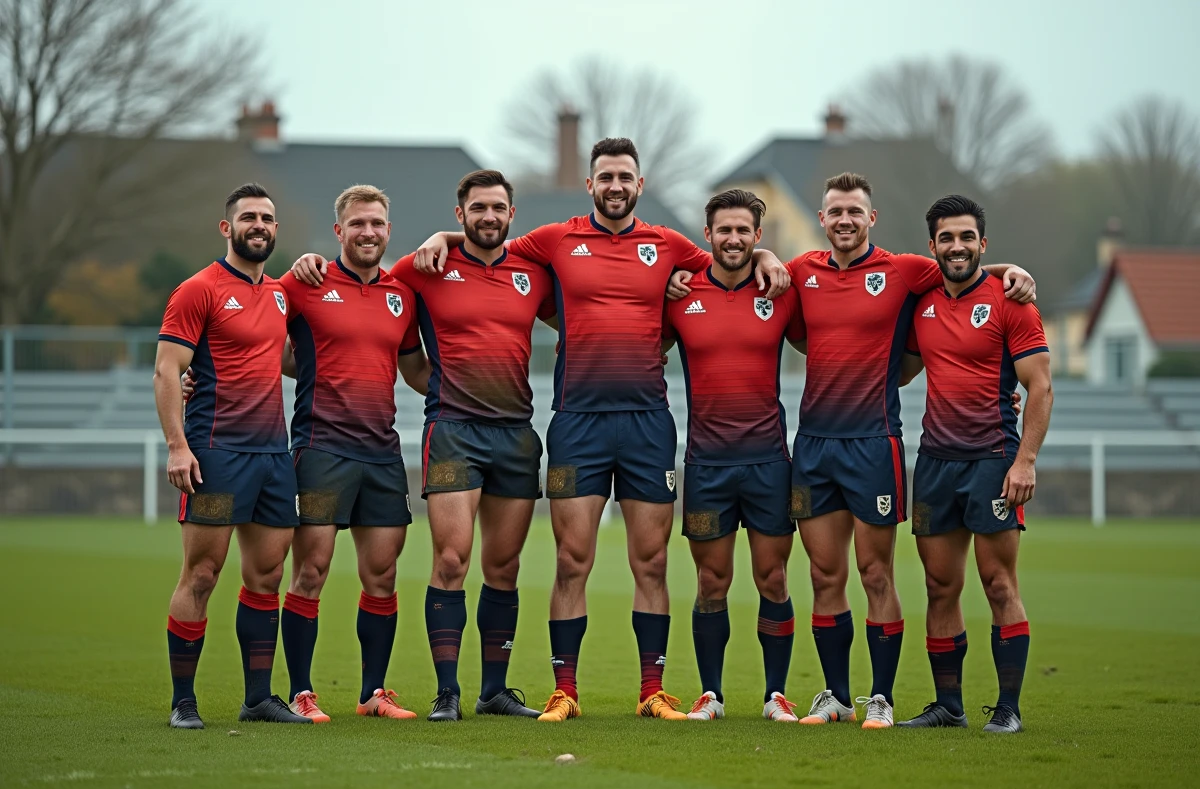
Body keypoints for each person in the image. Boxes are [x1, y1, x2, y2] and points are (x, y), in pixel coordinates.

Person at [412, 139, 791, 722]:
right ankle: (565, 690)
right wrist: (441, 237)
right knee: (572, 561)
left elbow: (726, 258)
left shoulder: (668, 245)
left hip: (647, 425)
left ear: (639, 185)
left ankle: (652, 692)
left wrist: (766, 256)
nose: (616, 185)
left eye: (625, 177)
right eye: (606, 176)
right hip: (577, 424)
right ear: (590, 185)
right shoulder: (553, 240)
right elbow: (486, 242)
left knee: (653, 562)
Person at [667, 172, 1036, 729]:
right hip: (813, 445)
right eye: (834, 211)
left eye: (854, 212)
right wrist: (765, 252)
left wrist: (1015, 271)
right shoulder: (797, 275)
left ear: (871, 218)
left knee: (876, 573)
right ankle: (835, 696)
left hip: (875, 443)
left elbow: (968, 269)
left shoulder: (905, 271)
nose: (844, 220)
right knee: (822, 575)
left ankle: (880, 699)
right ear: (822, 219)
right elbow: (745, 261)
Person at [288, 170, 555, 721]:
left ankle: (494, 692)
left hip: (516, 434)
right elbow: (274, 328)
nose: (488, 216)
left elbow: (411, 363)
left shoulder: (532, 270)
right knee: (451, 560)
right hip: (453, 430)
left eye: (498, 208)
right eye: (476, 208)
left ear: (511, 214)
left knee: (503, 567)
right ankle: (448, 693)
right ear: (460, 215)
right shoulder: (420, 269)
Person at [153, 182, 308, 728]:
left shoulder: (281, 295)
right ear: (228, 227)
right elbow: (167, 369)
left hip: (273, 456)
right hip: (216, 454)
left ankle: (259, 699)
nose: (259, 225)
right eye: (248, 218)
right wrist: (178, 446)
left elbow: (280, 361)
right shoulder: (199, 289)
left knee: (267, 576)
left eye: (267, 217)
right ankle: (183, 701)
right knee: (201, 575)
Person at [896, 195, 1052, 733]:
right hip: (936, 462)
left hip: (993, 459)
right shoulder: (922, 303)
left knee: (998, 584)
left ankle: (1007, 709)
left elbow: (1041, 386)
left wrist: (1025, 461)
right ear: (932, 245)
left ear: (983, 244)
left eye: (967, 237)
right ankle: (949, 706)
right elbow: (901, 374)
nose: (956, 246)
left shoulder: (1012, 301)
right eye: (946, 238)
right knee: (940, 587)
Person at [275, 185, 429, 723]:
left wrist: (473, 387)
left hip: (382, 453)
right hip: (321, 448)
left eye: (378, 224)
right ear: (339, 231)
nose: (369, 232)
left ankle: (373, 694)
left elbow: (415, 370)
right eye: (358, 223)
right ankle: (300, 693)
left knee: (382, 576)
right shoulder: (305, 281)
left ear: (389, 230)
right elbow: (252, 321)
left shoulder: (401, 294)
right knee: (311, 571)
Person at [660, 189, 806, 723]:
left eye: (744, 230)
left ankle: (776, 695)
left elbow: (836, 341)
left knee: (773, 579)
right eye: (724, 229)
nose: (734, 239)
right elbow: (638, 342)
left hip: (769, 462)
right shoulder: (678, 294)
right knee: (711, 581)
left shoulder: (781, 291)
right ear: (708, 235)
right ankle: (711, 695)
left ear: (757, 236)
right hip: (706, 464)